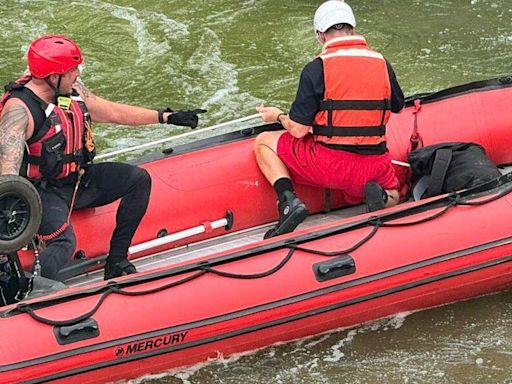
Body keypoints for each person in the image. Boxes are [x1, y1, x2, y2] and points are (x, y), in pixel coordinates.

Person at [0, 35, 206, 280]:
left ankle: (117, 261)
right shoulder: (19, 111)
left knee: (137, 179)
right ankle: (21, 289)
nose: (77, 74)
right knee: (64, 243)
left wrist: (166, 117)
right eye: (73, 70)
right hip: (42, 192)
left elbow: (113, 112)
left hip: (78, 180)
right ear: (53, 77)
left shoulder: (71, 90)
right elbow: (7, 178)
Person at [255, 0, 404, 239]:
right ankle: (381, 198)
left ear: (320, 35)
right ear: (353, 30)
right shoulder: (382, 63)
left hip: (330, 165)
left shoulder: (316, 68)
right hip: (375, 164)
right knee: (395, 194)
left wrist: (278, 116)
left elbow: (299, 131)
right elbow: (398, 107)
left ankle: (288, 202)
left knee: (263, 142)